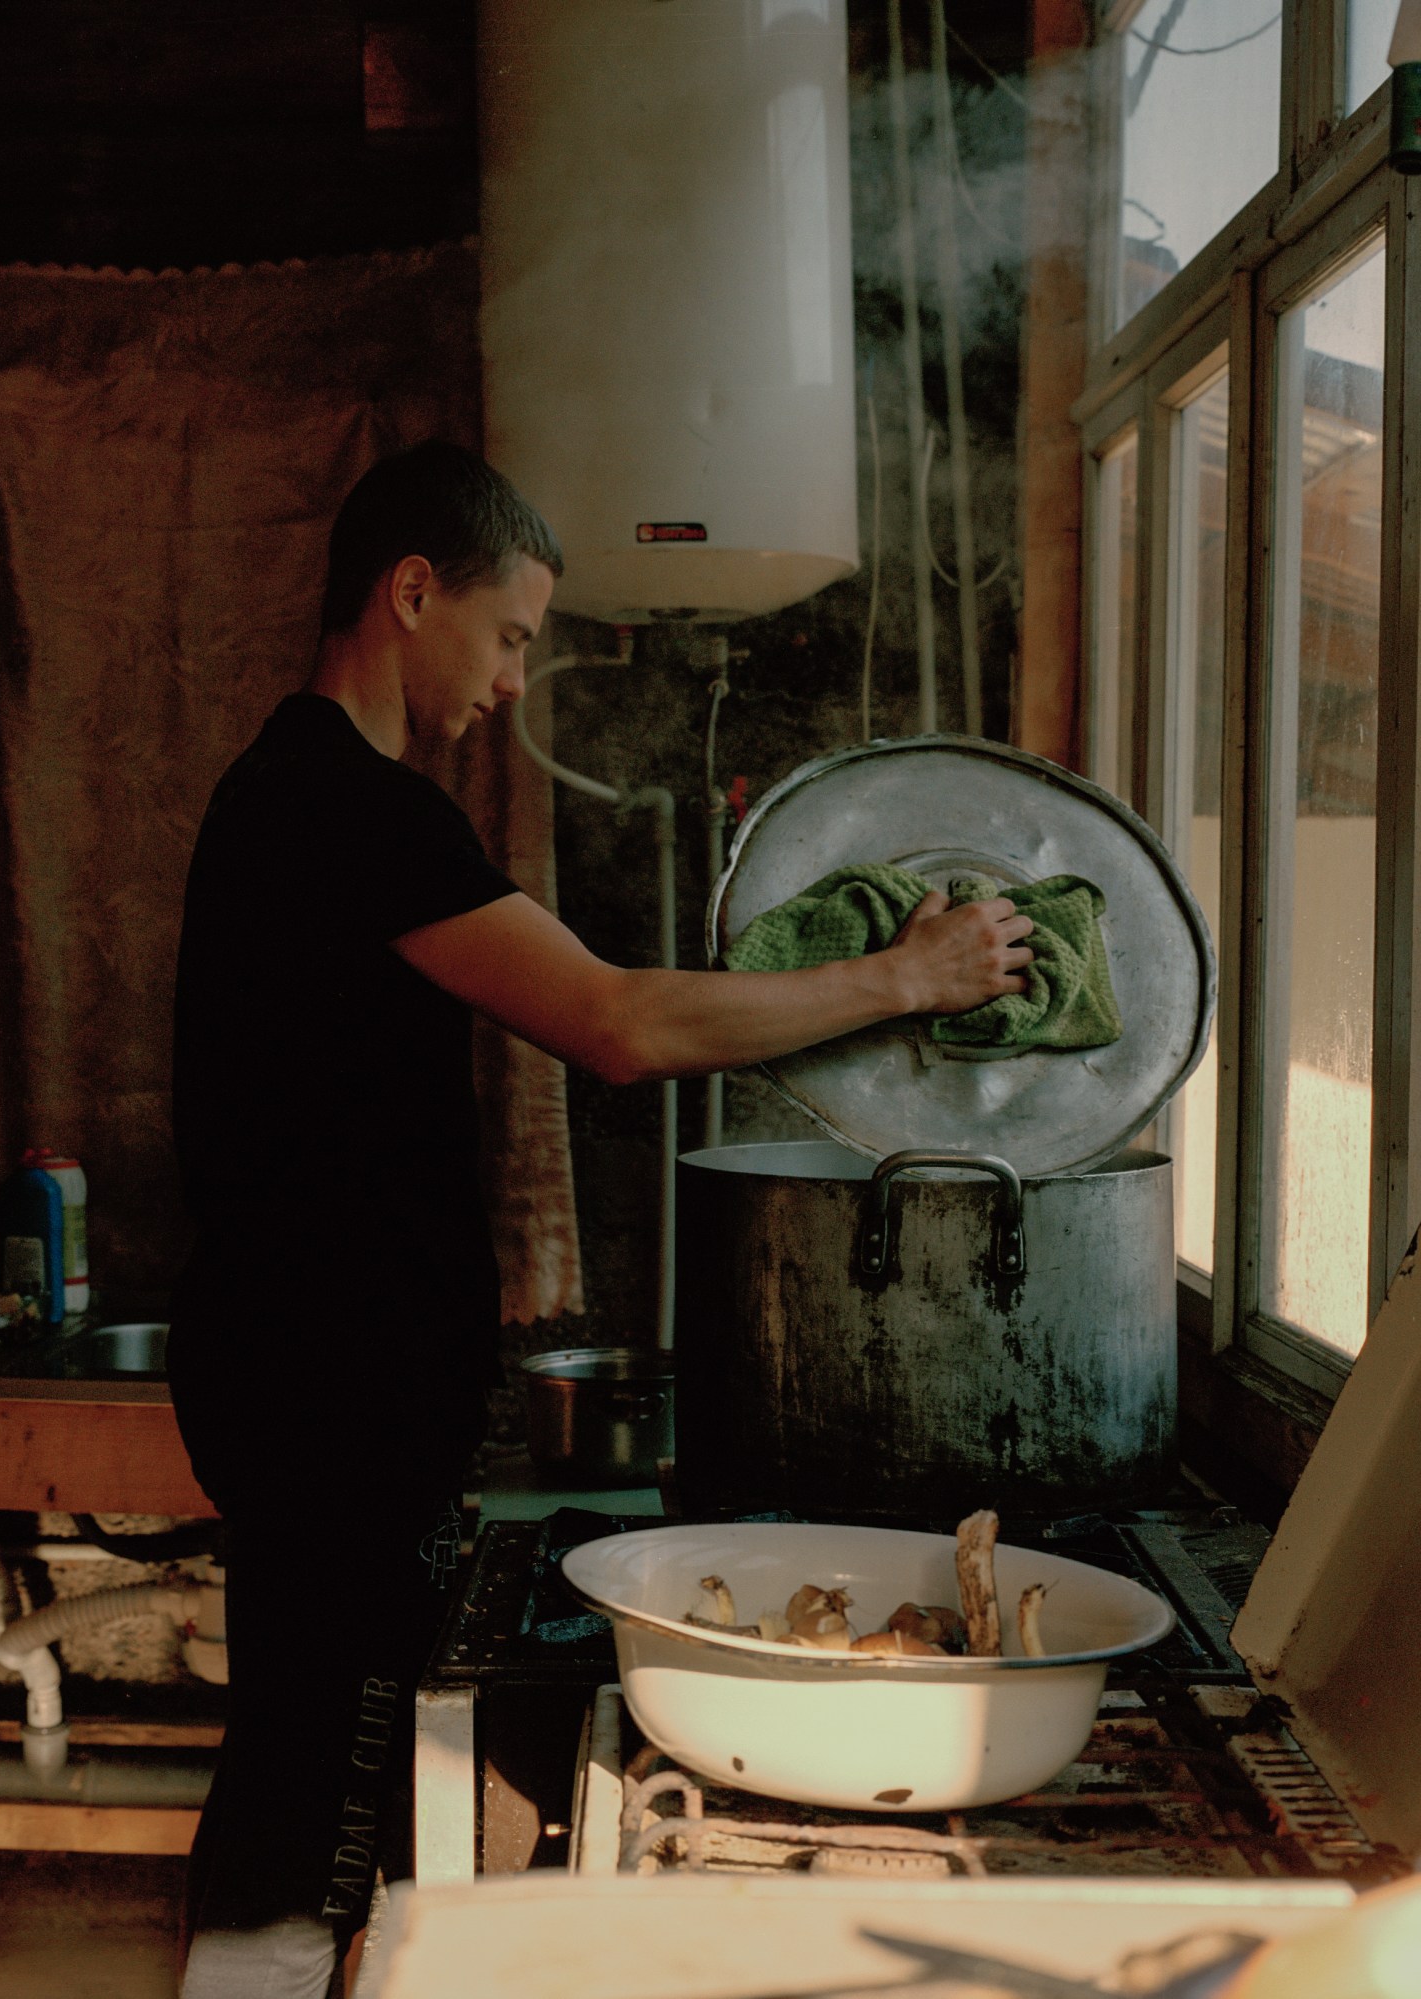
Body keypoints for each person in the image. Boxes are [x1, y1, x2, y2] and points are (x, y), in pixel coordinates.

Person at [167, 440, 1033, 1999]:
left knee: (302, 1770)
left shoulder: (304, 798)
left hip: (310, 1383)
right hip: (329, 1397)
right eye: (509, 638)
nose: (513, 685)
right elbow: (619, 1024)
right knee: (318, 1792)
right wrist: (912, 978)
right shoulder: (345, 806)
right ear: (412, 589)